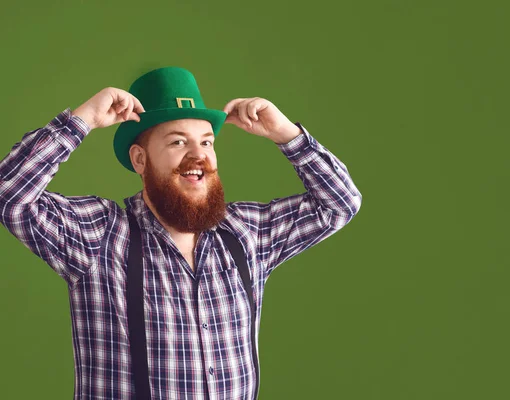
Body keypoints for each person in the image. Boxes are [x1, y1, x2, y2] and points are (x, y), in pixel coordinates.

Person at [0, 66, 361, 399]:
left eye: (206, 141)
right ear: (140, 160)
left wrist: (287, 135)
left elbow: (339, 204)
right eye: (177, 142)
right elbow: (9, 194)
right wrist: (80, 121)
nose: (198, 155)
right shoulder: (100, 236)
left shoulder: (246, 234)